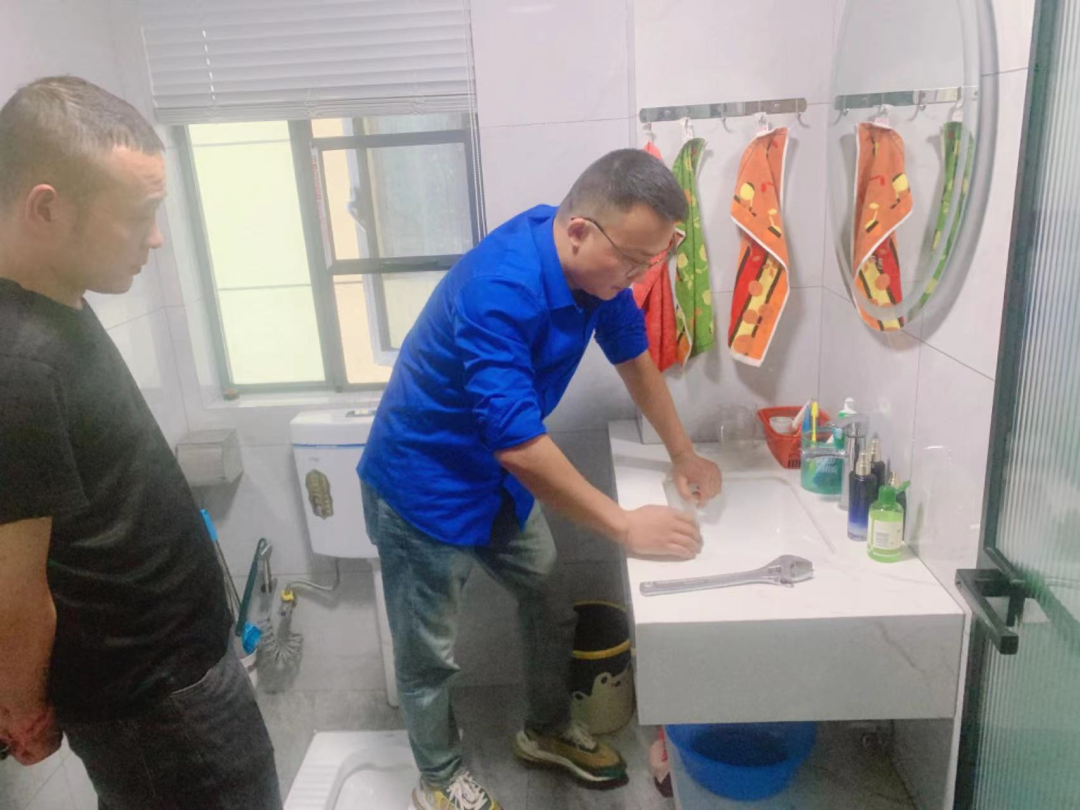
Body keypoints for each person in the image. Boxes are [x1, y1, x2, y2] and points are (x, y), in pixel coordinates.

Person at [359, 148, 723, 810]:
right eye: (634, 261)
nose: (640, 276)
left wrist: (683, 453)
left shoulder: (600, 274)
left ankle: (546, 731)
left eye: (652, 261)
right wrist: (623, 525)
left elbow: (635, 358)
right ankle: (438, 778)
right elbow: (521, 448)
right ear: (580, 230)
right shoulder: (500, 289)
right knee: (428, 656)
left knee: (551, 604)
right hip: (421, 483)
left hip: (496, 480)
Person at [0, 76, 282, 809]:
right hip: (154, 701)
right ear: (46, 209)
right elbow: (14, 586)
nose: (155, 238)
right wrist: (23, 707)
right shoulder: (16, 362)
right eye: (138, 216)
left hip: (179, 672)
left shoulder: (54, 296)